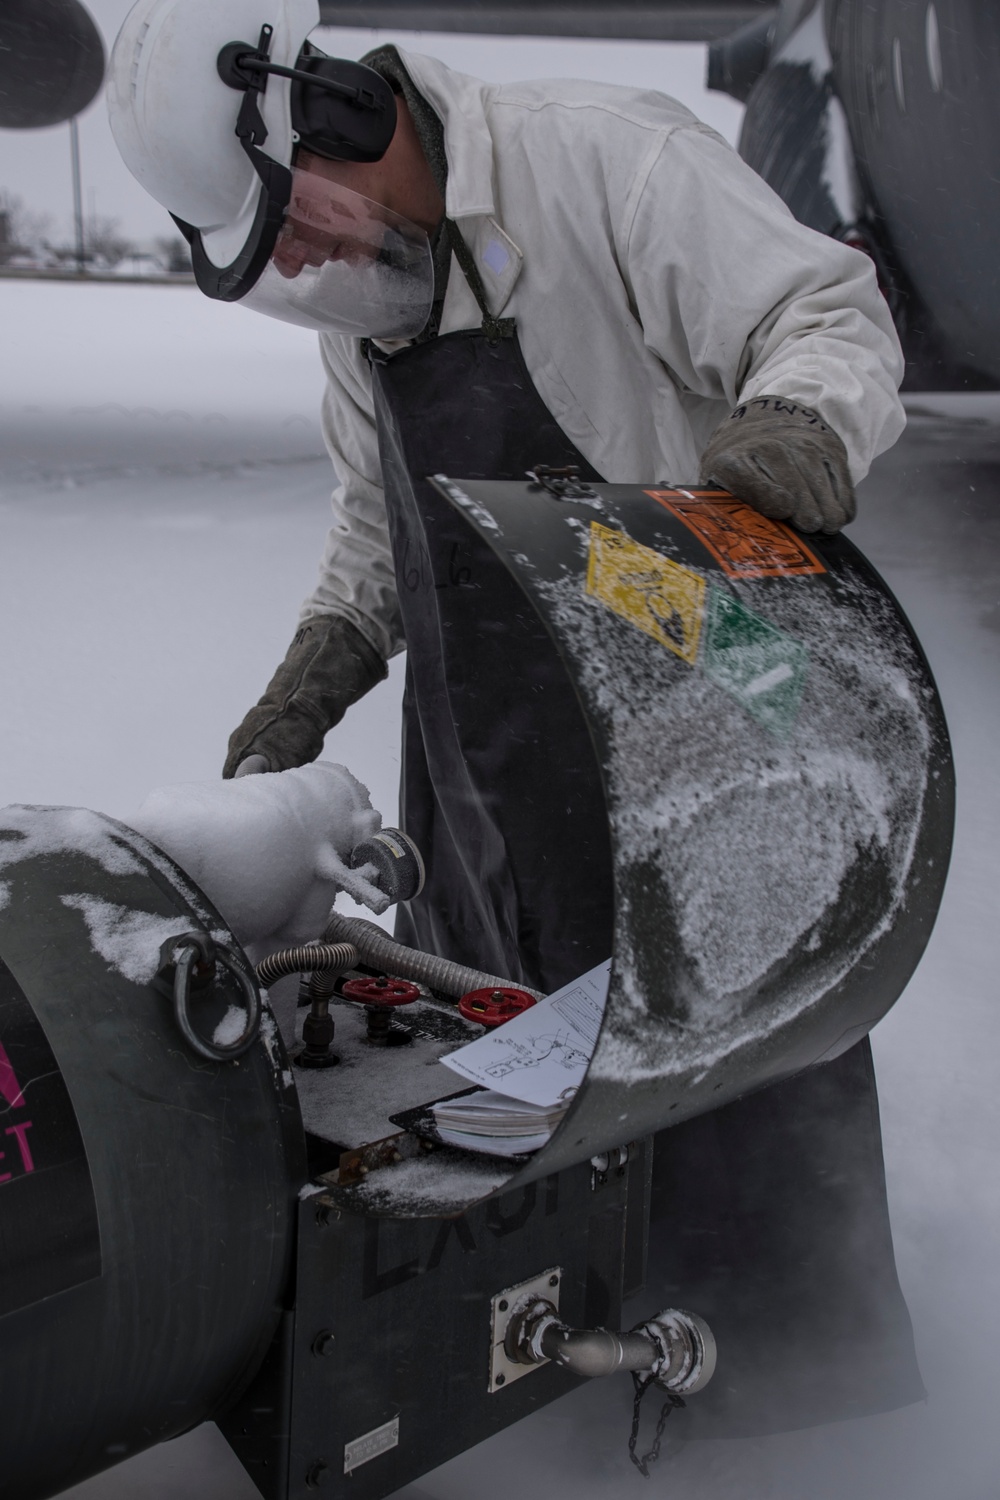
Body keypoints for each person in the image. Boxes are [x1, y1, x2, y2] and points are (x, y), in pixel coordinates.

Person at [108, 0, 921, 1434]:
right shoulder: (368, 309)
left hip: (709, 742)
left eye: (290, 230)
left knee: (736, 1120)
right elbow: (380, 524)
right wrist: (320, 664)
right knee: (533, 1103)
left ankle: (793, 1419)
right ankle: (553, 1392)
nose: (300, 269)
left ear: (341, 119)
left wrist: (797, 418)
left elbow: (826, 312)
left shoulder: (606, 166)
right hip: (491, 780)